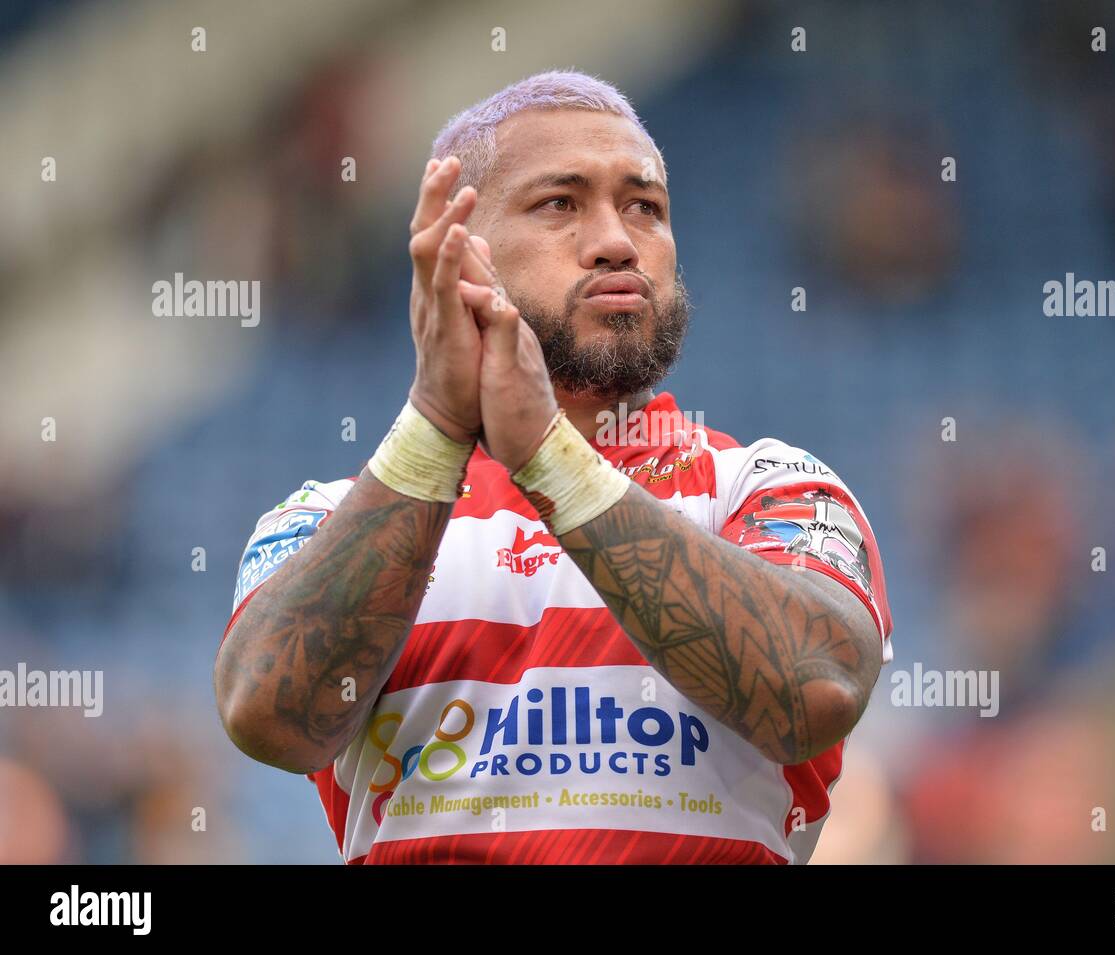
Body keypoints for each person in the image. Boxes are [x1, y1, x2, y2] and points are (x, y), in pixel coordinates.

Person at [214, 70, 893, 864]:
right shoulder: (328, 520)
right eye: (560, 203)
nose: (617, 240)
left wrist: (550, 458)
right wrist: (436, 428)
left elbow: (811, 694)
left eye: (645, 206)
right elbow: (271, 717)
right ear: (457, 250)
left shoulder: (772, 488)